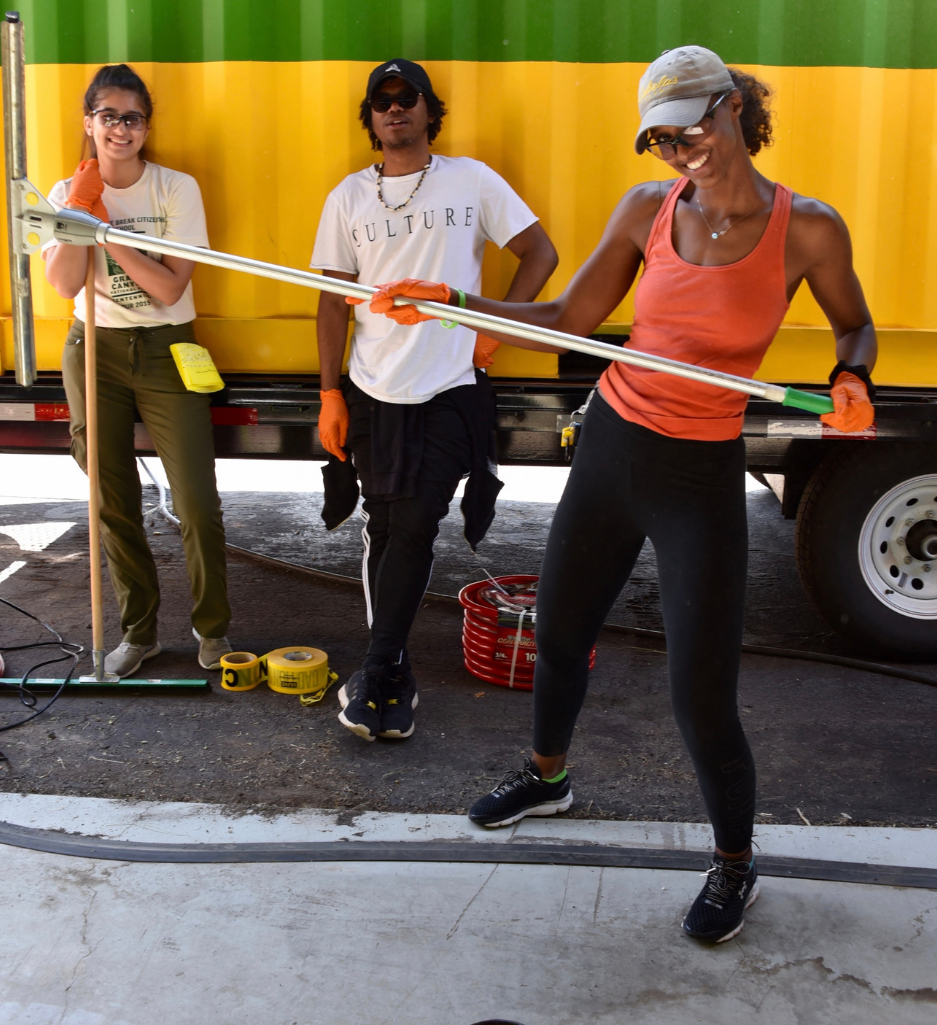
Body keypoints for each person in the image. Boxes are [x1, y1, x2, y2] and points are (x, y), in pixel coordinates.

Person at [368, 46, 877, 941]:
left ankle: (734, 863)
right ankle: (548, 775)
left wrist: (850, 376)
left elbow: (856, 325)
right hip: (612, 444)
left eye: (693, 132)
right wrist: (452, 302)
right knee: (559, 633)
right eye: (664, 143)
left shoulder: (809, 229)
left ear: (732, 109)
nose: (684, 155)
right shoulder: (649, 209)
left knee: (701, 693)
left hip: (698, 474)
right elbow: (568, 320)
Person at [312, 58, 558, 742]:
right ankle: (392, 668)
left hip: (450, 385)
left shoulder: (471, 180)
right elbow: (332, 304)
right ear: (370, 117)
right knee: (385, 527)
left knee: (418, 520)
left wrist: (493, 326)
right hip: (370, 387)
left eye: (407, 98)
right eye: (382, 101)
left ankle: (376, 669)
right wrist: (329, 393)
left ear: (429, 110)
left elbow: (541, 252)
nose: (395, 109)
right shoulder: (348, 199)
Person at [43, 64, 233, 676]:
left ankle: (213, 629)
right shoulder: (60, 193)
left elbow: (169, 291)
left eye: (132, 118)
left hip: (167, 349)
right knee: (111, 499)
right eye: (109, 116)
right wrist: (77, 208)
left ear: (146, 127)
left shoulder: (176, 189)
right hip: (91, 348)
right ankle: (140, 630)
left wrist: (102, 228)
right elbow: (65, 282)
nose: (121, 129)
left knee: (197, 500)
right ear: (88, 122)